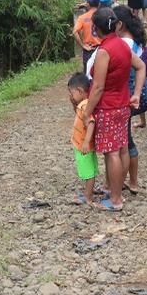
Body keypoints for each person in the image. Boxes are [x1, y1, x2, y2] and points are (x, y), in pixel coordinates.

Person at [83, 7, 146, 211]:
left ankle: (116, 199)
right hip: (123, 105)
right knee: (122, 148)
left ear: (96, 28)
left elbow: (98, 86)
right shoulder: (122, 44)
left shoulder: (104, 51)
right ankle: (115, 192)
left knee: (111, 153)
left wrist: (86, 111)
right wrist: (136, 93)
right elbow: (141, 67)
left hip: (108, 107)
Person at [113, 4, 147, 194]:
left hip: (123, 95)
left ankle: (121, 183)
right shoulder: (135, 41)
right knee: (127, 139)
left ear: (119, 25)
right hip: (131, 94)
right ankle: (131, 181)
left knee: (125, 142)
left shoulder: (124, 44)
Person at [68, 72, 98, 205]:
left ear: (79, 91)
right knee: (88, 170)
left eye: (72, 93)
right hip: (81, 144)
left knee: (89, 172)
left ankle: (88, 196)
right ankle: (88, 193)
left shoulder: (85, 104)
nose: (71, 96)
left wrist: (86, 141)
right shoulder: (83, 104)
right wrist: (74, 104)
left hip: (83, 145)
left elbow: (90, 122)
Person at [73, 0, 102, 73]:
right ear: (99, 4)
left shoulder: (82, 17)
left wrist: (83, 45)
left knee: (88, 73)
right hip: (102, 48)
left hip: (89, 49)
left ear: (88, 4)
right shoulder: (103, 15)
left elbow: (75, 32)